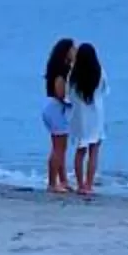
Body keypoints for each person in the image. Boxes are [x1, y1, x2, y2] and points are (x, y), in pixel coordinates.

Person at [68, 41, 107, 198]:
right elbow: (104, 90)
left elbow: (69, 95)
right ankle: (89, 185)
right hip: (96, 115)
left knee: (80, 151)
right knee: (94, 152)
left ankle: (80, 185)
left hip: (79, 116)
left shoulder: (73, 75)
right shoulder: (99, 72)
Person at [41, 38, 77, 194]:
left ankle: (63, 181)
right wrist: (72, 102)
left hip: (52, 107)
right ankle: (52, 183)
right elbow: (60, 93)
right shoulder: (62, 70)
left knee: (61, 147)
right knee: (58, 148)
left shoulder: (58, 68)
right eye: (73, 49)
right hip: (57, 109)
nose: (75, 51)